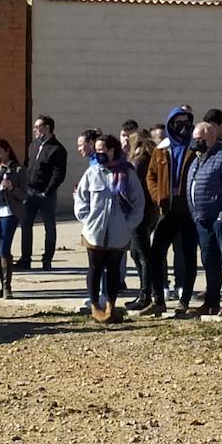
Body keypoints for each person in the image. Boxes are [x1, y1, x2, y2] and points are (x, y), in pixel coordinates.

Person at [73, 133, 145, 323]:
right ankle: (95, 306)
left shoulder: (127, 173)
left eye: (101, 150)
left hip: (118, 232)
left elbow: (138, 202)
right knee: (95, 268)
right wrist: (86, 219)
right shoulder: (93, 172)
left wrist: (128, 224)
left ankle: (111, 306)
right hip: (94, 231)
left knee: (114, 270)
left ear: (112, 151)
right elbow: (81, 197)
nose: (98, 154)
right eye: (96, 151)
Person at [186, 120, 222, 317]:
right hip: (202, 219)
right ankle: (212, 301)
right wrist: (194, 213)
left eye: (200, 139)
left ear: (212, 137)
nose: (196, 142)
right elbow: (190, 186)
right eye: (195, 139)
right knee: (209, 260)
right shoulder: (197, 159)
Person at [145, 107, 199, 315]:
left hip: (188, 211)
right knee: (156, 253)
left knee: (187, 255)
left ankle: (184, 300)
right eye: (179, 122)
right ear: (170, 123)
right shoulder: (162, 149)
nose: (183, 127)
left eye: (187, 122)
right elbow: (151, 176)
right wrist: (158, 196)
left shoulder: (195, 147)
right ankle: (158, 299)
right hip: (166, 210)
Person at [19, 115, 67, 272]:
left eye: (38, 127)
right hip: (30, 192)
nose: (35, 130)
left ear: (47, 128)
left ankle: (47, 259)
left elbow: (58, 174)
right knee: (26, 225)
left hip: (46, 194)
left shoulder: (57, 149)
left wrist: (48, 191)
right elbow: (27, 166)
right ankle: (25, 258)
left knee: (49, 227)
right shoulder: (33, 145)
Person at [0, 139, 27, 299]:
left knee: (4, 248)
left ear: (7, 150)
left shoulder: (18, 170)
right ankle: (2, 286)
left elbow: (24, 194)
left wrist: (12, 188)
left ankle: (7, 287)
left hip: (9, 210)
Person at [123, 127, 160, 312]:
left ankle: (147, 294)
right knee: (138, 253)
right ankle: (146, 292)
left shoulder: (136, 163)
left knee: (141, 254)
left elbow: (132, 191)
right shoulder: (151, 158)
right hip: (151, 211)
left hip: (139, 213)